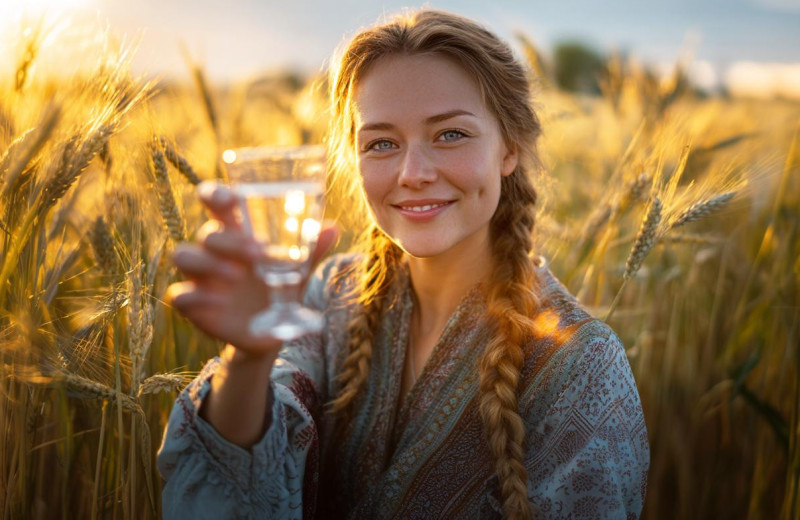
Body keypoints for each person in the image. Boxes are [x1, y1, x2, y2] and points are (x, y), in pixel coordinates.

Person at [158, 9, 649, 519]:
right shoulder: (329, 292)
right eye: (382, 144)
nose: (413, 173)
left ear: (510, 148)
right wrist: (248, 355)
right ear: (353, 158)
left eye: (450, 134)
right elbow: (238, 481)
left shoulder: (582, 365)